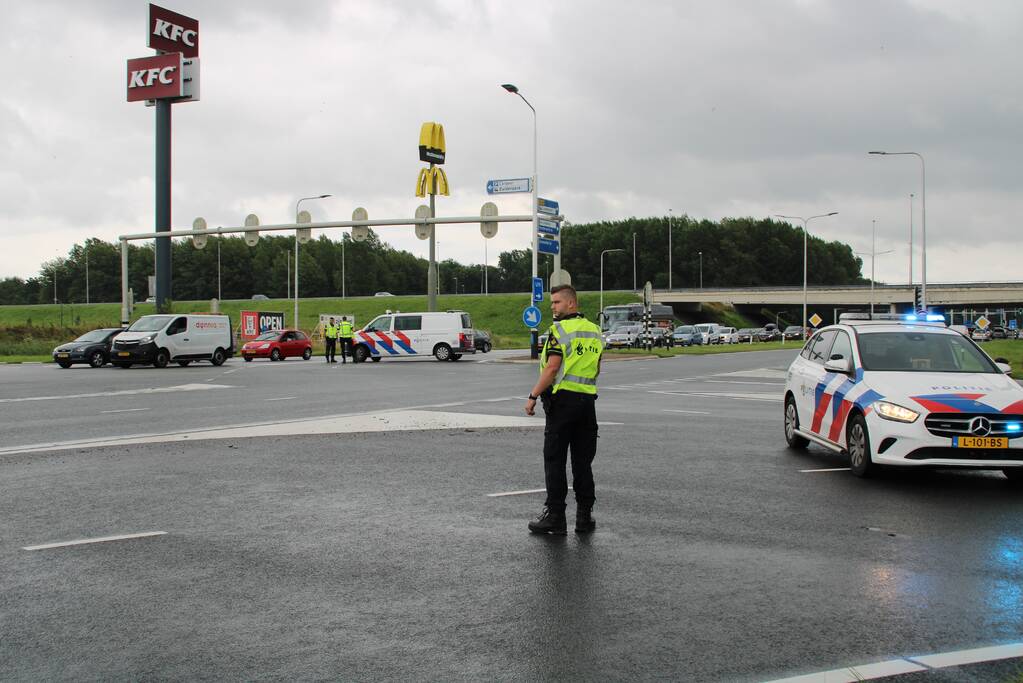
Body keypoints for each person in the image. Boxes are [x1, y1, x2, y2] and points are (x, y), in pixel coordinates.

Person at [524, 284, 603, 535]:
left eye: (557, 303)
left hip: (562, 405)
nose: (553, 308)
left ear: (572, 303)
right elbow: (597, 368)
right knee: (583, 462)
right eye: (551, 304)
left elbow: (552, 368)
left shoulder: (559, 330)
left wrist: (533, 395)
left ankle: (555, 516)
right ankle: (584, 517)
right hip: (587, 403)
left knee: (555, 460)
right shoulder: (595, 331)